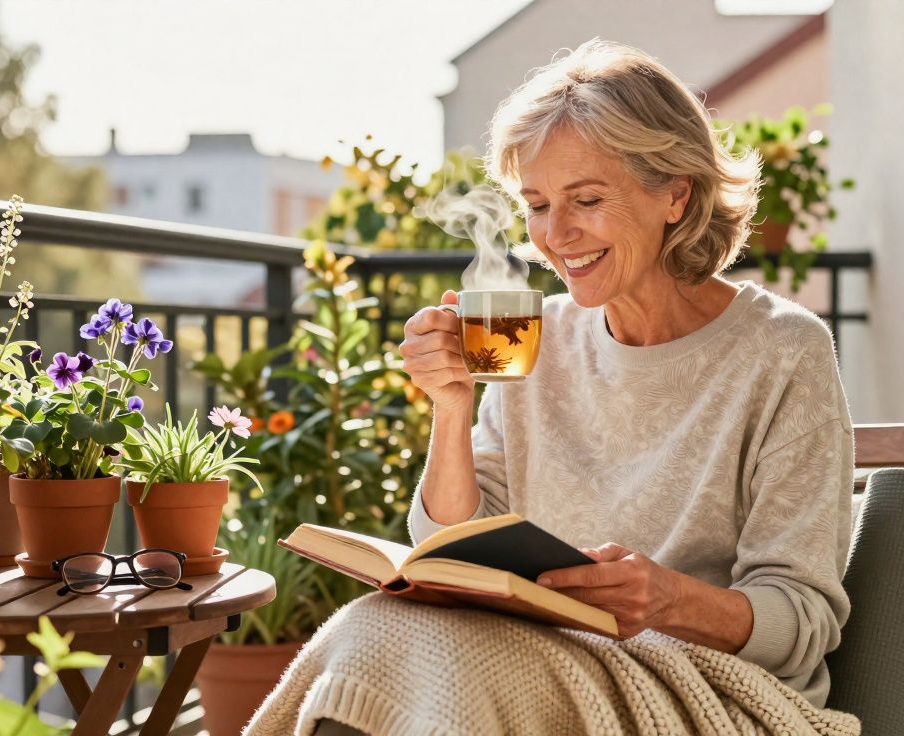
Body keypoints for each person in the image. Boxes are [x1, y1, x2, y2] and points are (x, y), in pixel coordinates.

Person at [249, 38, 853, 735]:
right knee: (373, 624)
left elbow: (802, 622)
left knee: (424, 664)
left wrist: (665, 600)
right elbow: (450, 547)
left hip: (715, 693)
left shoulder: (783, 350)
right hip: (549, 659)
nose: (555, 234)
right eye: (536, 204)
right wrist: (452, 409)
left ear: (676, 194)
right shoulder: (535, 339)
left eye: (587, 199)